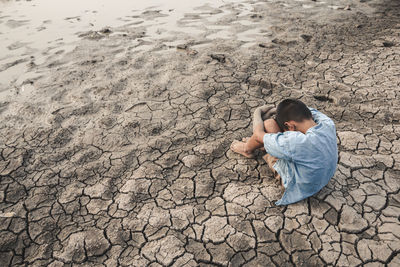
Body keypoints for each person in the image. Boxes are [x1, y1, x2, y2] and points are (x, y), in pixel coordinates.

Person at [230, 98, 338, 205]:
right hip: (323, 177)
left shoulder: (296, 142)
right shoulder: (327, 122)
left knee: (268, 125)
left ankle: (247, 149)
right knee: (271, 129)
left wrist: (257, 113)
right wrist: (278, 111)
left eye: (286, 129)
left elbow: (258, 135)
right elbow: (302, 109)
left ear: (290, 126)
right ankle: (266, 144)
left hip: (301, 186)